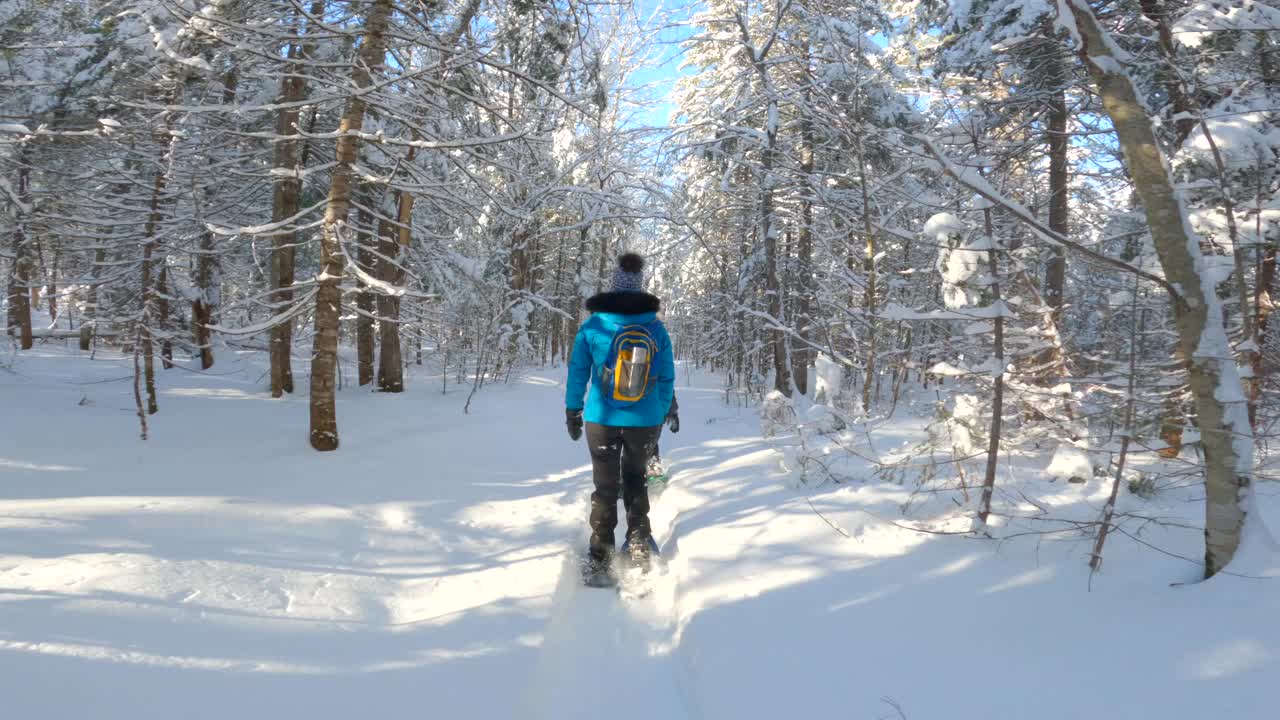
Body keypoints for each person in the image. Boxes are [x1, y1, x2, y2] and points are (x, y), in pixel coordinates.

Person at [565, 252, 675, 577]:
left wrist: (573, 408)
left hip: (601, 419)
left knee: (605, 486)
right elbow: (667, 377)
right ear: (639, 290)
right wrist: (660, 409)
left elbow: (578, 372)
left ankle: (600, 553)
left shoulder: (593, 326)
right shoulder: (655, 329)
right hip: (644, 421)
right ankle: (639, 543)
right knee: (635, 480)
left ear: (612, 289)